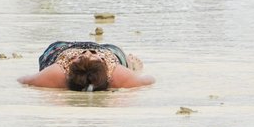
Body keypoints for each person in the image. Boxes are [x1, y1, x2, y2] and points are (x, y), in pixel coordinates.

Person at [18, 41, 155, 91]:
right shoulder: (117, 74)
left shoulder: (56, 73)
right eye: (91, 55)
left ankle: (130, 64)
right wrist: (134, 75)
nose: (88, 51)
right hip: (108, 52)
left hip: (62, 48)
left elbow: (23, 79)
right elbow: (149, 79)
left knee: (53, 47)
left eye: (83, 56)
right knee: (118, 54)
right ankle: (129, 64)